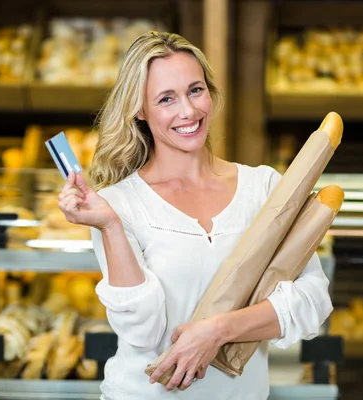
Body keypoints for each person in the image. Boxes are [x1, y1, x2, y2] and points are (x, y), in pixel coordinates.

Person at [57, 31, 333, 400]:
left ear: (210, 92)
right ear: (140, 110)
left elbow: (313, 301)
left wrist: (219, 330)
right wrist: (110, 227)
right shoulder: (117, 206)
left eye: (195, 90)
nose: (188, 111)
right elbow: (143, 333)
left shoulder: (265, 188)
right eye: (166, 99)